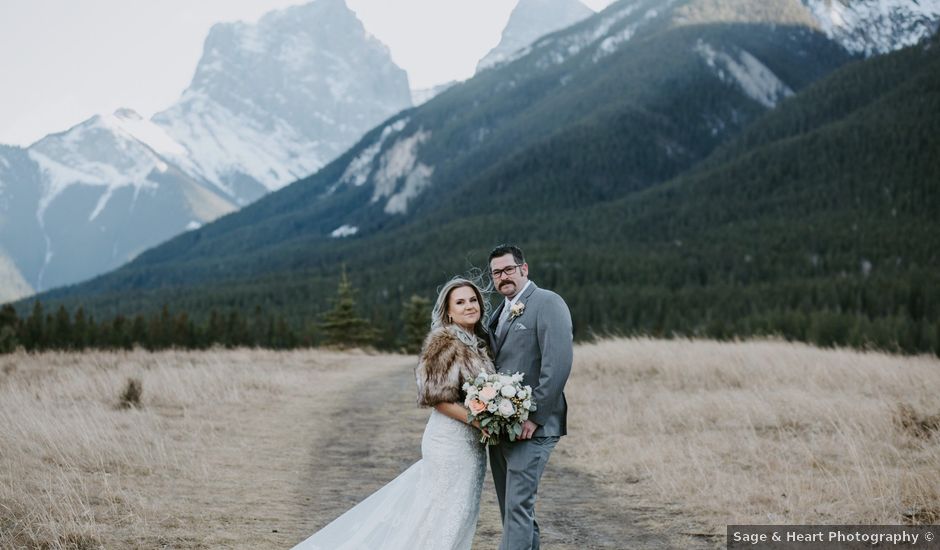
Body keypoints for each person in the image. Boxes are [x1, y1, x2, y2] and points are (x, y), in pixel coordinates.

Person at [291, 277, 495, 550]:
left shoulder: (477, 342)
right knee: (441, 514)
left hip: (472, 445)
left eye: (473, 300)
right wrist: (476, 419)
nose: (469, 306)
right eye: (460, 302)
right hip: (450, 442)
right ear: (448, 311)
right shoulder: (445, 343)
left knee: (462, 512)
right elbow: (437, 399)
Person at [486, 244, 573, 550]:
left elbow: (558, 364)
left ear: (524, 269)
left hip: (533, 428)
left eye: (508, 269)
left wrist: (535, 416)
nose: (502, 277)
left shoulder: (548, 302)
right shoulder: (500, 312)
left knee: (517, 508)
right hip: (502, 428)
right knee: (512, 512)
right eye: (496, 272)